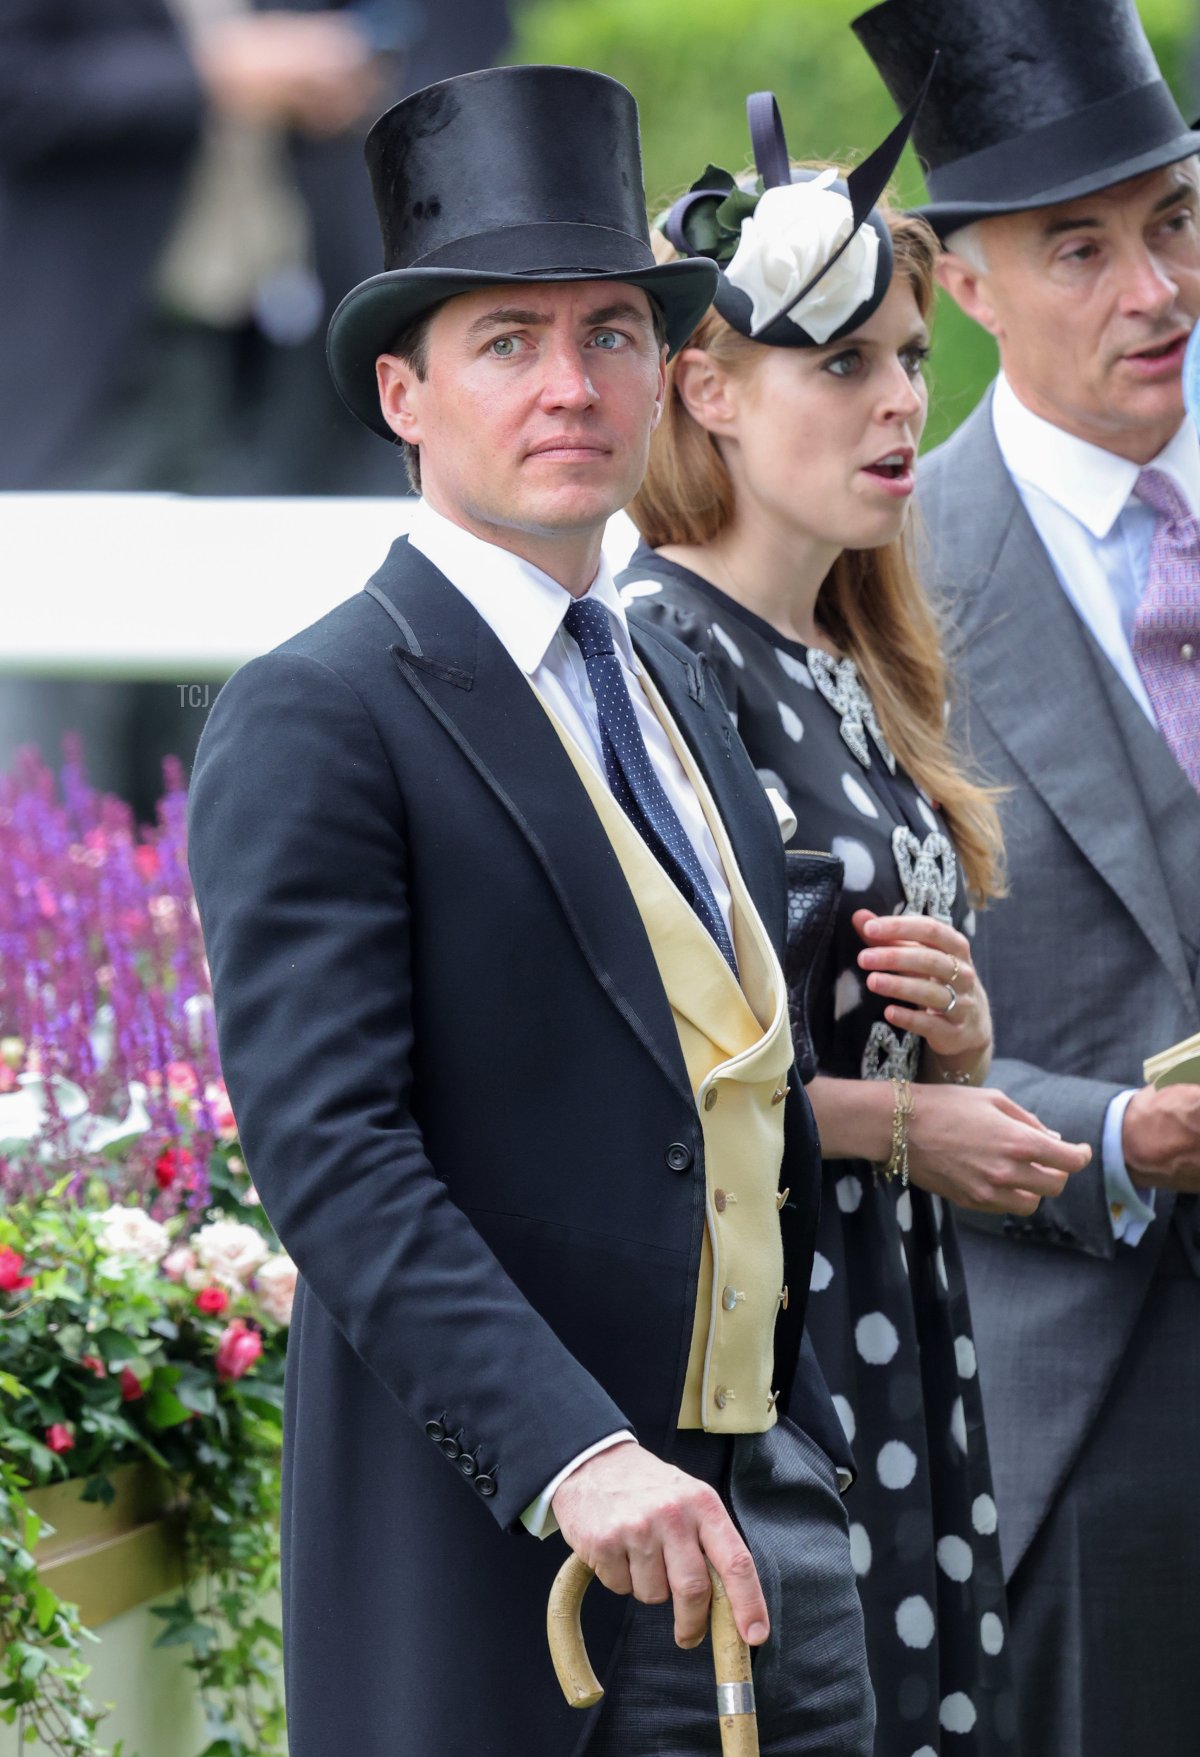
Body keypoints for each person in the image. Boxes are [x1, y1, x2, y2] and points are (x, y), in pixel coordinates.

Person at [187, 65, 875, 1757]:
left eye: (611, 335)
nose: (571, 383)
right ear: (406, 394)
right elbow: (334, 1154)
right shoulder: (320, 709)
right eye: (509, 341)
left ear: (663, 376)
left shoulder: (670, 677)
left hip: (773, 1527)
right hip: (518, 1585)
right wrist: (579, 1453)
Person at [616, 90, 1090, 1755]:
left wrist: (953, 1033)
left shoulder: (849, 651)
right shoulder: (657, 651)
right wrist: (901, 1116)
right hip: (775, 1370)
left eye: (908, 357)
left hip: (903, 1329)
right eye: (847, 365)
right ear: (709, 390)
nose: (905, 402)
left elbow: (851, 1018)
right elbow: (630, 1091)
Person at [853, 2, 1200, 1752]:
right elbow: (820, 1041)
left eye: (1177, 221)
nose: (1154, 291)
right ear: (964, 286)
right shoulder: (873, 582)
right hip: (1080, 1417)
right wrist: (1122, 1141)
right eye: (1082, 247)